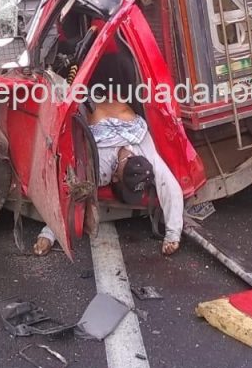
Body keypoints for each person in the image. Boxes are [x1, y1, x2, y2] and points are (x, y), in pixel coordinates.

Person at [33, 81, 185, 258]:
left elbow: (171, 188)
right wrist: (49, 234)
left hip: (107, 107)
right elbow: (72, 191)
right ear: (114, 178)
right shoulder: (102, 164)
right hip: (88, 107)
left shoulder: (145, 150)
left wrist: (173, 236)